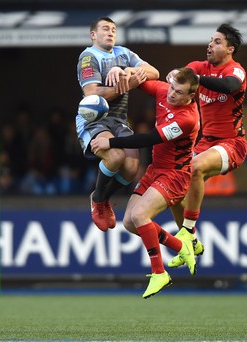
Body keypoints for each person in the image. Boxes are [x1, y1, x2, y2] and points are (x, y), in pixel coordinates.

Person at [91, 68, 200, 298]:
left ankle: (159, 273)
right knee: (130, 223)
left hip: (175, 175)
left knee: (140, 216)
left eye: (179, 92)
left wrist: (111, 143)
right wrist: (123, 71)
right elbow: (140, 81)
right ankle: (182, 247)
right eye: (171, 87)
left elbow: (148, 139)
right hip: (155, 170)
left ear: (190, 97)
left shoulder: (187, 119)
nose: (171, 94)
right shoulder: (164, 90)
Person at [166, 23, 247, 268]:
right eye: (211, 40)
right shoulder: (196, 67)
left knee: (195, 167)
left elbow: (229, 86)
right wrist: (174, 76)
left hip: (232, 144)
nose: (210, 45)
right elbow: (180, 80)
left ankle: (187, 230)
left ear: (230, 49)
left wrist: (198, 79)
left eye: (217, 41)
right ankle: (190, 240)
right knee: (171, 187)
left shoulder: (237, 71)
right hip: (205, 143)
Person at [76, 17, 160, 232]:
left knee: (132, 168)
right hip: (94, 119)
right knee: (115, 156)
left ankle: (101, 198)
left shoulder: (124, 53)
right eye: (105, 28)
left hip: (119, 120)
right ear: (93, 35)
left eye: (113, 29)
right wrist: (128, 83)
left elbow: (153, 72)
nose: (110, 32)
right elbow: (93, 93)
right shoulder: (88, 57)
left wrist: (126, 71)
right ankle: (98, 200)